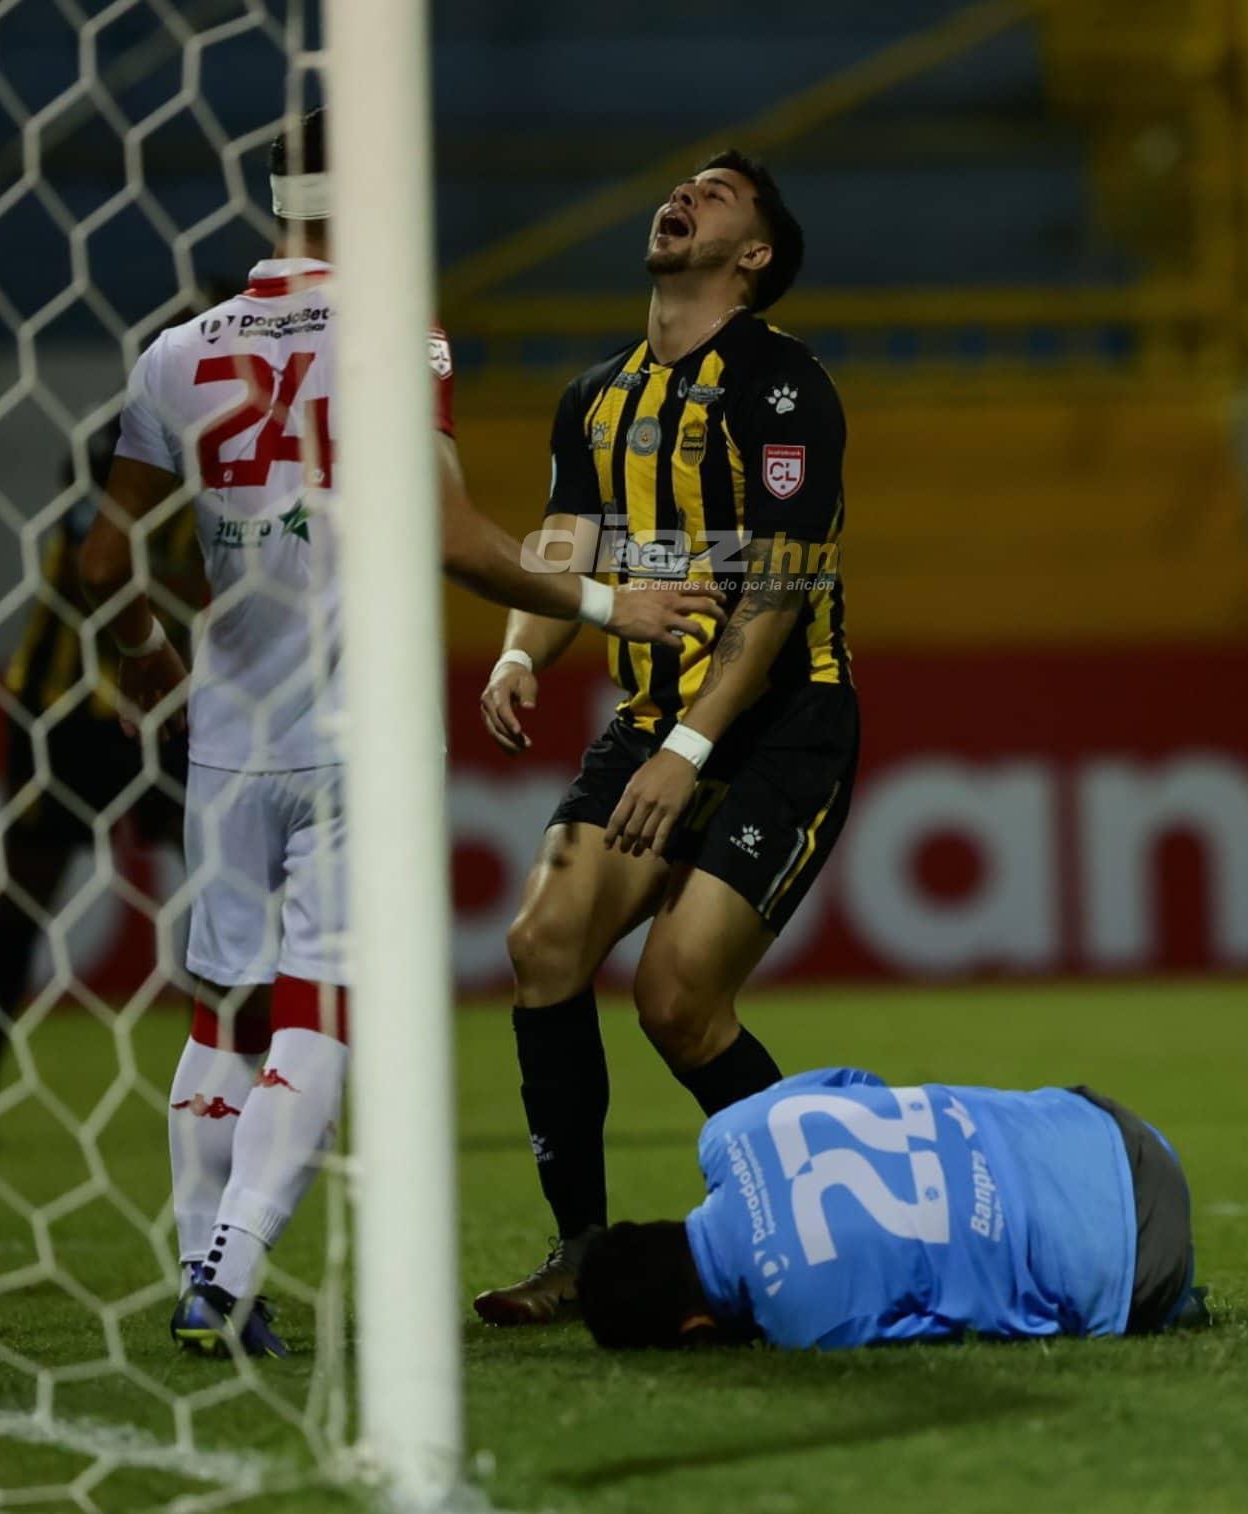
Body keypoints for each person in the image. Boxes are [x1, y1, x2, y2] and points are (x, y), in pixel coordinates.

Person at [78, 107, 726, 1358]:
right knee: (322, 1003)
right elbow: (449, 538)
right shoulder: (394, 332)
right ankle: (226, 1270)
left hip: (227, 725)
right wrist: (610, 604)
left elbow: (103, 559)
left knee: (219, 1013)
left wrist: (149, 658)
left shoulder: (176, 353)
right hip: (355, 724)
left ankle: (206, 1268)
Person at [474, 151, 858, 1324]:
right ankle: (580, 1250)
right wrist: (517, 652)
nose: (684, 196)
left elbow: (779, 594)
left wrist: (687, 752)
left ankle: (835, 1229)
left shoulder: (785, 388)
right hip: (650, 722)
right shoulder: (597, 395)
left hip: (780, 726)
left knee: (678, 997)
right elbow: (562, 548)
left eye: (721, 195)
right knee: (543, 943)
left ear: (753, 259)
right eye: (683, 183)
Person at [0, 415, 203, 1154]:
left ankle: (240, 1091)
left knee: (227, 890)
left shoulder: (220, 475)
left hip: (158, 715)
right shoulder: (116, 455)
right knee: (24, 901)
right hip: (60, 719)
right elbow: (104, 557)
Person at [577, 1066, 1210, 1351]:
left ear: (695, 1330)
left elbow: (947, 1329)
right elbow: (860, 1085)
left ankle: (1180, 1307)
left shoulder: (809, 1323)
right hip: (1109, 1125)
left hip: (1142, 1267)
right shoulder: (731, 1130)